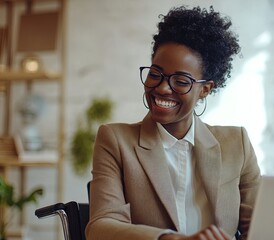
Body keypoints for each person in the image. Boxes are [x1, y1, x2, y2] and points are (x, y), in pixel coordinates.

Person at [86, 5, 261, 240]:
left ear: (205, 89)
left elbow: (261, 228)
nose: (162, 88)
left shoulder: (236, 144)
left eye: (181, 81)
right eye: (155, 74)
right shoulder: (116, 141)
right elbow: (101, 226)